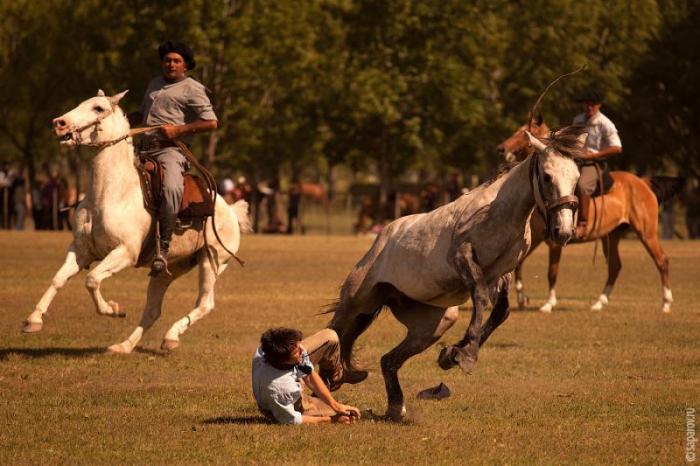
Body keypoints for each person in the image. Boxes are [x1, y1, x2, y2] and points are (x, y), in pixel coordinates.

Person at [128, 41, 218, 275]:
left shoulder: (192, 88)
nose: (171, 64)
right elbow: (141, 114)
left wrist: (179, 130)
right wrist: (117, 120)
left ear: (185, 65)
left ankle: (163, 248)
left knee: (170, 189)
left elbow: (211, 122)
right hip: (142, 148)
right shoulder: (154, 83)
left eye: (177, 60)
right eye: (167, 60)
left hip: (171, 151)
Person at [252, 327, 361, 425]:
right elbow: (292, 420)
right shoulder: (280, 389)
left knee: (330, 337)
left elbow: (308, 374)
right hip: (286, 403)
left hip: (286, 373)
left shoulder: (267, 349)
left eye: (297, 344)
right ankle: (318, 401)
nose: (301, 350)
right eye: (296, 352)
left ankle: (334, 378)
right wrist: (332, 419)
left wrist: (335, 405)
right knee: (349, 414)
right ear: (284, 360)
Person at [572, 88, 623, 238]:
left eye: (592, 104)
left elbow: (617, 147)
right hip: (577, 160)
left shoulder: (605, 123)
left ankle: (582, 223)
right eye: (587, 104)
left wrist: (594, 155)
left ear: (599, 105)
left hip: (594, 164)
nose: (589, 107)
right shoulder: (578, 120)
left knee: (582, 185)